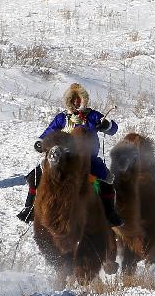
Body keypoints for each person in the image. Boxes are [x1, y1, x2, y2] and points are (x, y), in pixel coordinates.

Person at [17, 83, 122, 226]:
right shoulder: (62, 118)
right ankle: (29, 208)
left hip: (88, 158)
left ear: (84, 100)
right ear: (69, 101)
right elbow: (49, 132)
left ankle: (109, 213)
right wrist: (41, 143)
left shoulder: (93, 116)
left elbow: (113, 129)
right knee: (36, 175)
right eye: (73, 99)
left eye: (79, 99)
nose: (77, 102)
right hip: (63, 158)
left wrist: (106, 126)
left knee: (107, 180)